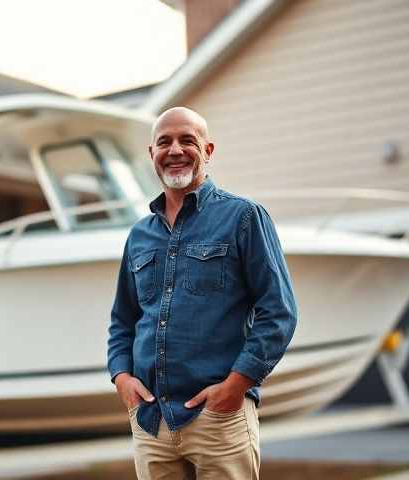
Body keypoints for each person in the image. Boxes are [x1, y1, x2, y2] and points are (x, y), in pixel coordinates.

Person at [107, 107, 297, 479]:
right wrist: (122, 378)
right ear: (151, 154)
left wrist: (236, 386)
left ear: (207, 151)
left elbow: (280, 311)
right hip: (151, 422)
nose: (175, 149)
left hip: (219, 420)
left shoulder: (244, 217)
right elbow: (122, 320)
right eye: (164, 142)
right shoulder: (139, 235)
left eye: (187, 140)